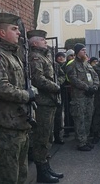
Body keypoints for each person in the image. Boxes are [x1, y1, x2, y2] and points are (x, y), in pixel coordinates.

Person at [0, 13, 35, 183]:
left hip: (19, 123)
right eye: (14, 29)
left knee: (20, 174)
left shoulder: (14, 56)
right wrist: (26, 95)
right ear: (2, 33)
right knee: (8, 177)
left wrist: (30, 90)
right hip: (5, 125)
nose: (19, 32)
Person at [27, 29, 63, 183]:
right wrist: (55, 87)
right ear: (34, 42)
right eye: (42, 40)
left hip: (50, 101)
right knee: (41, 137)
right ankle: (42, 171)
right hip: (43, 102)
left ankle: (46, 167)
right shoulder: (35, 57)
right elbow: (38, 79)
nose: (45, 42)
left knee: (48, 136)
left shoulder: (44, 56)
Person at [66, 43, 100, 151]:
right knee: (80, 119)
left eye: (85, 50)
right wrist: (86, 88)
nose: (84, 52)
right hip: (79, 97)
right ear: (77, 52)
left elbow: (95, 75)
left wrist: (94, 87)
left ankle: (86, 139)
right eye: (82, 50)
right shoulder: (72, 65)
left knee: (88, 118)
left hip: (89, 96)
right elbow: (74, 79)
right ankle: (81, 142)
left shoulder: (87, 64)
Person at [53, 51, 67, 145]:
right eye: (59, 57)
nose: (61, 58)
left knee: (58, 116)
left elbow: (63, 76)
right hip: (46, 95)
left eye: (63, 57)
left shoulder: (55, 66)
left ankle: (57, 136)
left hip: (58, 92)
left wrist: (57, 83)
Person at [62, 49, 75, 138]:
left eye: (73, 55)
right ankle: (67, 128)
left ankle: (73, 127)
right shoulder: (65, 66)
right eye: (71, 56)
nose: (72, 57)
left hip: (75, 91)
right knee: (67, 110)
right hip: (67, 91)